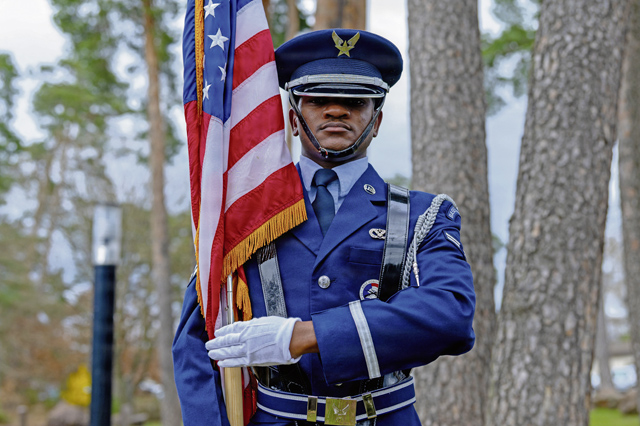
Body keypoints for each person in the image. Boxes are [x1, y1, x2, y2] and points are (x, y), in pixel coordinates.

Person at [173, 28, 476, 426]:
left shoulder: (424, 215)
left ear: (377, 119)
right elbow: (197, 343)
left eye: (354, 101)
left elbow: (451, 314)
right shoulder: (245, 217)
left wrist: (302, 335)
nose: (336, 110)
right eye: (318, 100)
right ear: (292, 119)